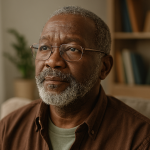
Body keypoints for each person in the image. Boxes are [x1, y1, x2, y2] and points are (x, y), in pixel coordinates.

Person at [0, 6, 150, 150]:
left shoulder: (140, 139)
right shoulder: (8, 130)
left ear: (104, 67)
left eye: (72, 49)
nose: (52, 61)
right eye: (44, 47)